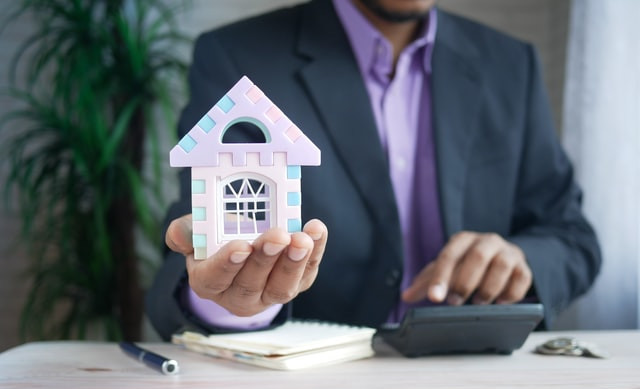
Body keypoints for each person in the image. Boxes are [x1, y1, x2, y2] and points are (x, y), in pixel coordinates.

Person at [146, 0, 601, 340]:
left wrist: (521, 261)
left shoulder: (510, 64)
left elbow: (572, 237)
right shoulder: (237, 57)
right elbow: (199, 242)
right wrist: (233, 302)